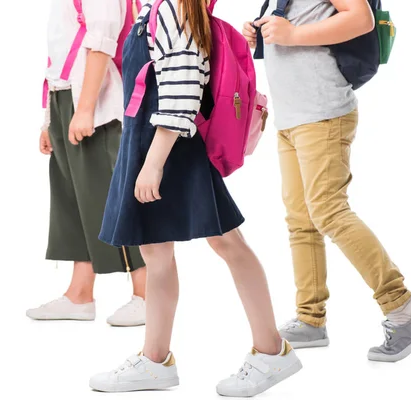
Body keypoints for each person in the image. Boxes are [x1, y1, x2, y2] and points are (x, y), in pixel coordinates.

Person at [89, 0, 302, 396]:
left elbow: (182, 89)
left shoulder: (174, 8)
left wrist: (153, 163)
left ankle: (271, 350)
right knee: (158, 251)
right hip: (152, 142)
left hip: (168, 146)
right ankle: (155, 361)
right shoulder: (157, 9)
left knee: (225, 240)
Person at [242, 0, 411, 361]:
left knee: (329, 212)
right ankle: (310, 319)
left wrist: (293, 34)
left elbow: (361, 18)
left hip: (322, 112)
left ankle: (405, 308)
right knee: (301, 222)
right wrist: (260, 33)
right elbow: (296, 22)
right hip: (292, 117)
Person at [26, 0, 147, 327]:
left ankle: (148, 295)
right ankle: (80, 294)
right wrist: (49, 118)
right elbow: (63, 47)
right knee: (75, 197)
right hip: (66, 97)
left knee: (111, 195)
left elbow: (102, 41)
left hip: (94, 100)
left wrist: (85, 109)